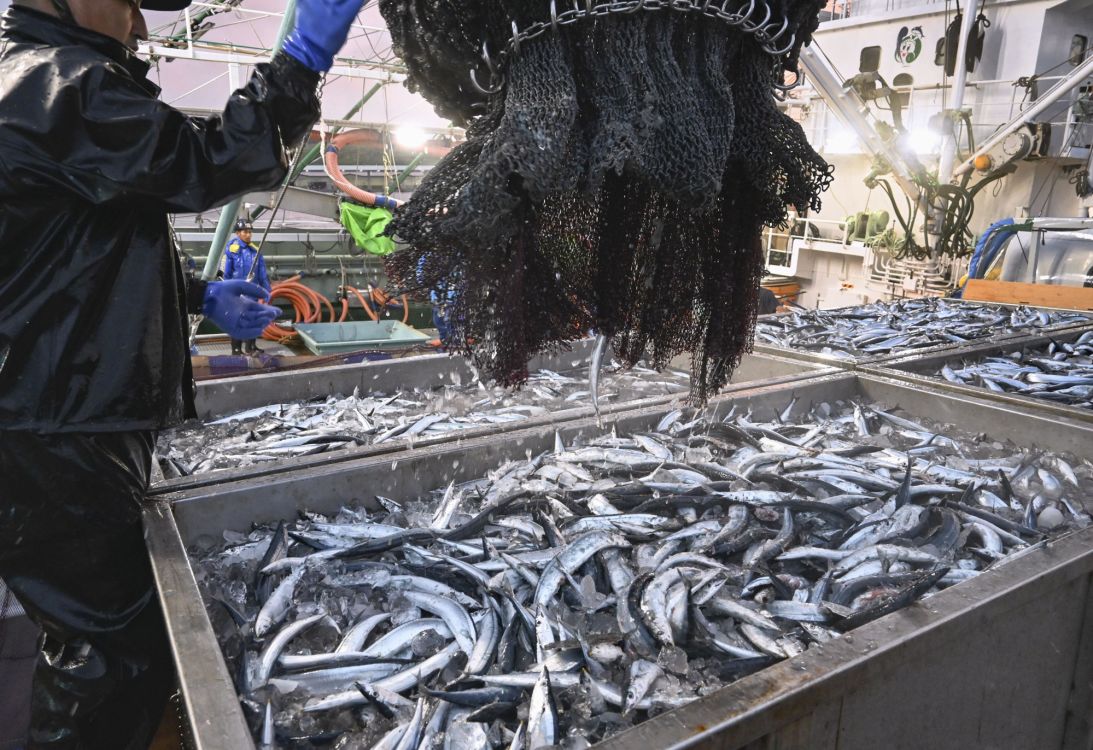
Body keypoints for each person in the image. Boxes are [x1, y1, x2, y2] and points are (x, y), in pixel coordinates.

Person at [0, 0, 363, 745]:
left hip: (55, 410)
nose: (140, 24)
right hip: (55, 418)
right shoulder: (55, 84)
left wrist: (201, 297)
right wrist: (301, 58)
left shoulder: (42, 84)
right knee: (107, 654)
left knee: (101, 638)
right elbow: (209, 161)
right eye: (130, 3)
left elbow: (71, 247)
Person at [222, 218, 273, 354]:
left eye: (250, 232)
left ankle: (251, 347)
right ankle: (236, 349)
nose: (249, 235)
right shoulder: (231, 250)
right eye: (245, 232)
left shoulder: (255, 251)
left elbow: (262, 273)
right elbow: (226, 273)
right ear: (238, 233)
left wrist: (267, 290)